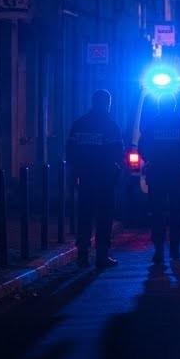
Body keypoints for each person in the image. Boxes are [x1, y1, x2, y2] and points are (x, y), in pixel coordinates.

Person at [137, 92, 180, 264]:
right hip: (177, 174)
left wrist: (150, 160)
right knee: (176, 211)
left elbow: (141, 146)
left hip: (157, 174)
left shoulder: (152, 124)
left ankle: (159, 249)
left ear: (159, 106)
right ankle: (175, 249)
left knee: (157, 212)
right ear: (174, 106)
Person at [67, 89, 124, 268]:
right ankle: (101, 256)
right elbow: (118, 152)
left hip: (85, 177)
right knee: (104, 217)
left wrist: (74, 173)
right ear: (107, 103)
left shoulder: (79, 124)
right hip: (104, 178)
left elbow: (70, 151)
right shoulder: (110, 125)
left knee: (84, 216)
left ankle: (82, 256)